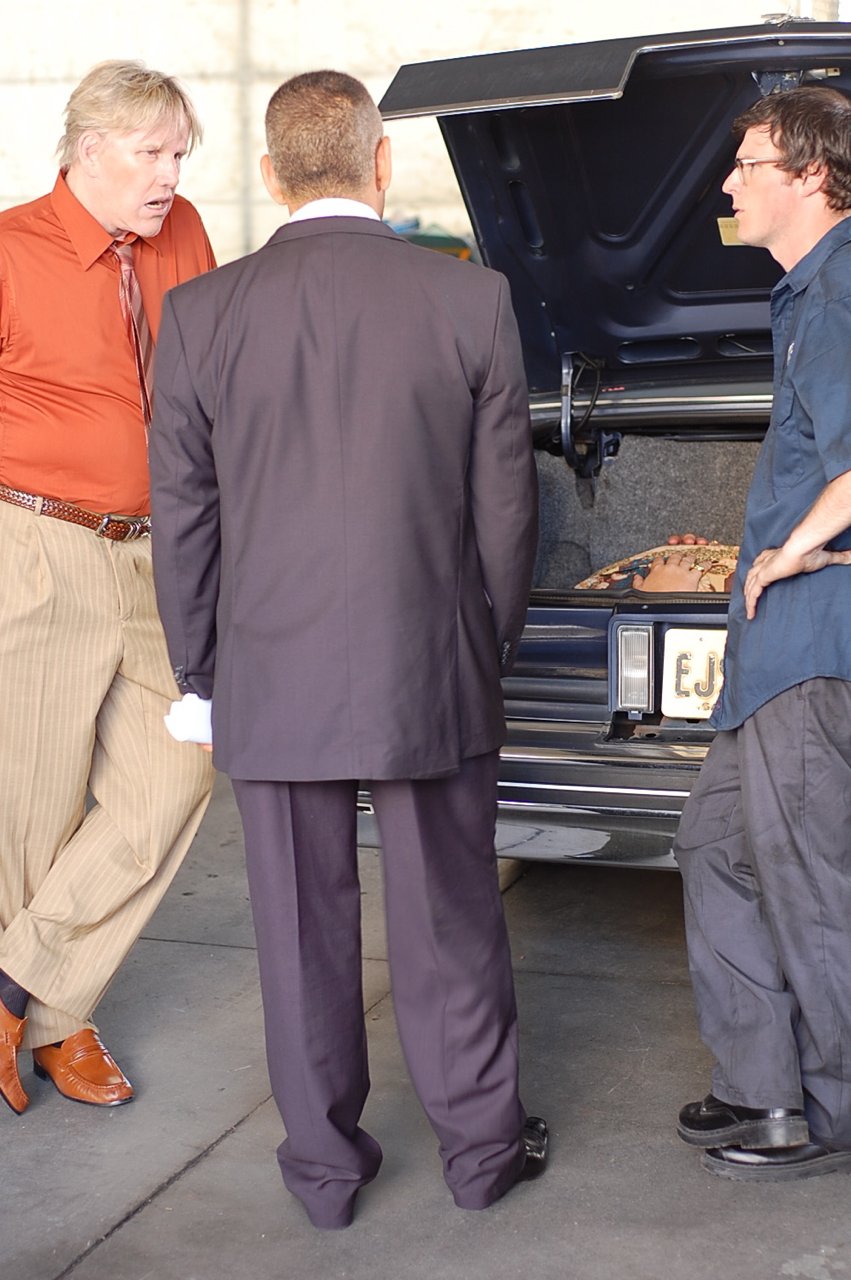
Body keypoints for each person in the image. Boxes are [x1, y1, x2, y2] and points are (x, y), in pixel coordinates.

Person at [149, 70, 544, 1229]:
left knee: (298, 931)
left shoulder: (201, 314)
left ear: (271, 177)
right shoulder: (469, 300)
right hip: (429, 664)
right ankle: (481, 1153)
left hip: (269, 671)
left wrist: (200, 673)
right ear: (380, 164)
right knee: (450, 919)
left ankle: (323, 1174)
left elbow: (184, 516)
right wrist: (485, 644)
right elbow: (506, 511)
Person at [0, 61, 216, 1116]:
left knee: (177, 774)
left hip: (158, 552)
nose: (171, 174)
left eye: (180, 153)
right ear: (90, 148)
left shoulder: (183, 237)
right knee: (32, 803)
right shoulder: (9, 248)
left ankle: (17, 987)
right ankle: (60, 1021)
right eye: (152, 152)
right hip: (38, 544)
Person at [674, 85, 851, 1181]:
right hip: (772, 650)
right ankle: (763, 1087)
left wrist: (793, 550)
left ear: (810, 174)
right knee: (714, 847)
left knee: (808, 880)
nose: (728, 184)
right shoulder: (805, 293)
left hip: (812, 646)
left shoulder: (837, 291)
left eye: (746, 165)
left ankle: (833, 1108)